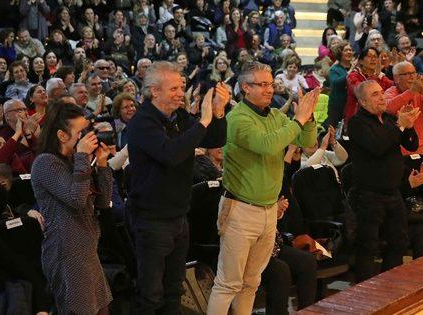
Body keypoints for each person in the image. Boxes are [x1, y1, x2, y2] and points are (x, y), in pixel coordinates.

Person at [207, 62, 318, 315]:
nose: (270, 89)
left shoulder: (276, 115)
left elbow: (307, 140)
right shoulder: (237, 119)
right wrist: (298, 120)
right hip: (240, 209)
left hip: (268, 210)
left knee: (251, 282)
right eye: (263, 84)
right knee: (228, 284)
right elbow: (267, 145)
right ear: (246, 87)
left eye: (271, 84)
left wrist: (308, 116)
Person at [126, 62, 229, 313]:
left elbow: (214, 140)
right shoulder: (142, 122)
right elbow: (170, 154)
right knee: (151, 295)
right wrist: (203, 122)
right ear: (154, 91)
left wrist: (216, 114)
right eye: (173, 88)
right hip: (152, 220)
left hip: (179, 216)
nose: (179, 93)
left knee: (175, 289)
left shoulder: (179, 116)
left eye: (180, 87)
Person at [31, 102, 114, 314]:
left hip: (87, 249)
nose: (86, 137)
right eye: (81, 132)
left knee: (102, 309)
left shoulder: (74, 163)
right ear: (61, 135)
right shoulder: (45, 163)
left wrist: (102, 165)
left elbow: (103, 203)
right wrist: (83, 157)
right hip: (66, 252)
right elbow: (76, 199)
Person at [347, 80, 420, 281]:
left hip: (393, 192)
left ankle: (389, 284)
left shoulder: (388, 119)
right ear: (362, 101)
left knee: (399, 241)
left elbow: (412, 145)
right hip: (369, 195)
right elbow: (377, 146)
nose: (381, 97)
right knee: (368, 246)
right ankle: (366, 293)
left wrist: (409, 126)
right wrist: (400, 126)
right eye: (375, 95)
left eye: (381, 93)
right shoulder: (357, 123)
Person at [385, 62, 423, 155]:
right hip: (398, 147)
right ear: (396, 78)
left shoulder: (419, 93)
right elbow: (389, 109)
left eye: (413, 73)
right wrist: (411, 91)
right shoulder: (390, 92)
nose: (412, 77)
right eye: (407, 74)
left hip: (419, 146)